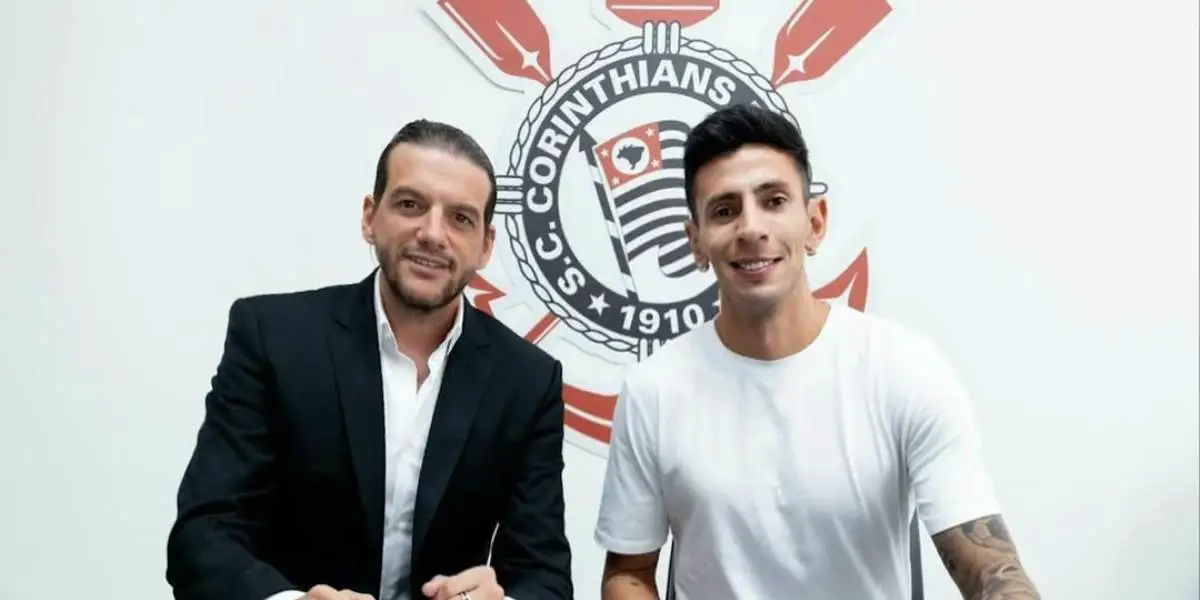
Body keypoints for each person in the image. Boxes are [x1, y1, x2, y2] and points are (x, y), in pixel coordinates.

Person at [592, 104, 1041, 599]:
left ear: (815, 221)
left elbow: (990, 569)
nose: (750, 228)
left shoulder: (903, 369)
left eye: (774, 200)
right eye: (724, 210)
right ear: (696, 242)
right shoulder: (653, 390)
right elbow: (628, 571)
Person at [166, 119, 573, 600]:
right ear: (369, 216)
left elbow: (543, 576)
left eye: (461, 218)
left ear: (486, 245)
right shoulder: (274, 337)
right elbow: (203, 537)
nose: (432, 233)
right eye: (410, 205)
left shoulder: (527, 381)